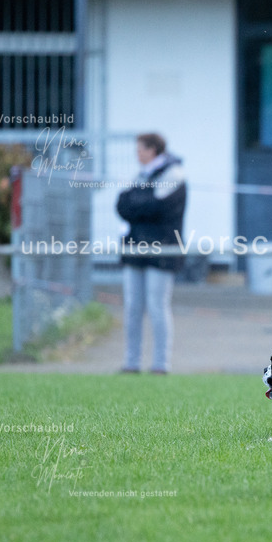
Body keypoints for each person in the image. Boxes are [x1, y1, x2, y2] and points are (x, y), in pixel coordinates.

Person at [116, 132, 187, 374]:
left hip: (162, 251)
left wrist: (138, 204)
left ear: (153, 150)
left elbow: (159, 207)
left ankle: (160, 364)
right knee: (132, 306)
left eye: (141, 150)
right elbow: (122, 205)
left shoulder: (174, 174)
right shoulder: (140, 175)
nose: (137, 155)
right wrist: (141, 203)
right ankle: (131, 362)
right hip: (135, 248)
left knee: (157, 306)